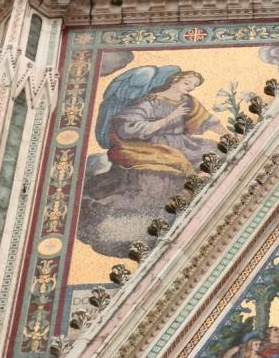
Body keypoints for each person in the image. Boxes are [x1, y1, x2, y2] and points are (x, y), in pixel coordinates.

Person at [79, 67, 219, 257]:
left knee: (215, 151)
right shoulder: (150, 102)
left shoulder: (187, 101)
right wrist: (169, 118)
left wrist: (228, 135)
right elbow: (128, 127)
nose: (189, 88)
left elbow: (206, 120)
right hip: (151, 145)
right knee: (171, 164)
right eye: (187, 83)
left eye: (193, 86)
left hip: (183, 143)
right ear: (175, 80)